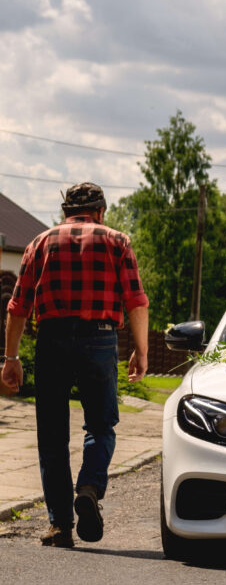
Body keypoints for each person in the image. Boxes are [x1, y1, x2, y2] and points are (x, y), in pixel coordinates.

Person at [1, 182, 149, 547]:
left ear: (64, 211)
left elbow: (17, 306)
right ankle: (88, 487)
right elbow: (136, 300)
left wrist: (11, 358)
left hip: (52, 339)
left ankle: (60, 526)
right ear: (101, 211)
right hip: (100, 337)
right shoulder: (118, 241)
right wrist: (141, 351)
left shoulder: (40, 242)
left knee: (51, 434)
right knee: (101, 425)